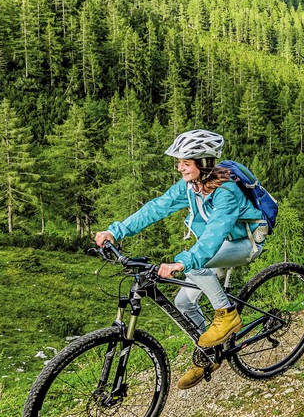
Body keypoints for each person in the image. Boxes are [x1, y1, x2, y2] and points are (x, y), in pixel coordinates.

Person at [94, 129, 264, 390]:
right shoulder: (191, 187)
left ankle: (227, 314)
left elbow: (214, 234)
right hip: (217, 245)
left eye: (186, 163)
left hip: (245, 243)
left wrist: (184, 262)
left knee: (195, 265)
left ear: (203, 163)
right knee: (183, 303)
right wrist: (116, 232)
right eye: (179, 162)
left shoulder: (226, 192)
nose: (179, 168)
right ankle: (207, 354)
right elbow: (157, 208)